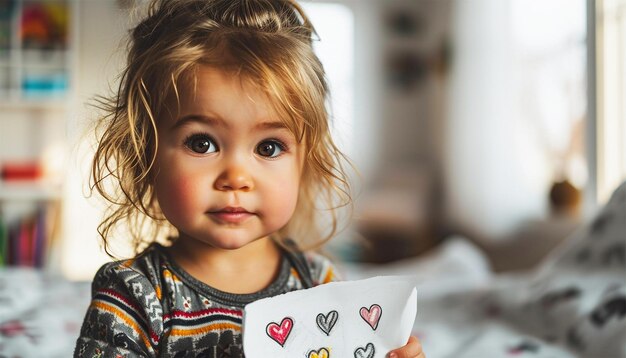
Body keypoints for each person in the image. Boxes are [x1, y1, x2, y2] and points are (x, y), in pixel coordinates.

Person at [74, 0, 425, 357]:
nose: (236, 177)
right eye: (202, 142)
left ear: (305, 161)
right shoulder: (133, 294)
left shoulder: (319, 284)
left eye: (269, 147)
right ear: (145, 152)